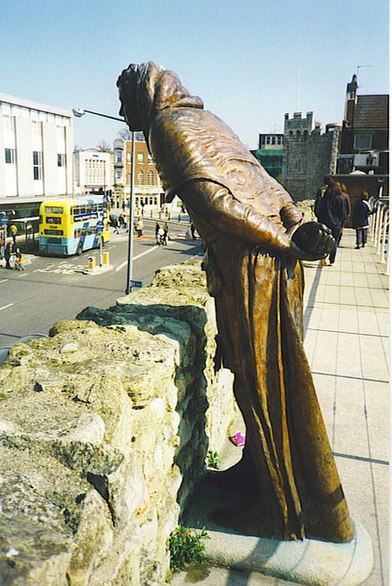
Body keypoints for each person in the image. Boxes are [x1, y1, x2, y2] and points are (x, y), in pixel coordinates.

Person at [117, 62, 353, 543]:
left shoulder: (166, 126)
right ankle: (258, 475)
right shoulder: (210, 120)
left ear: (143, 96)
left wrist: (283, 240)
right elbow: (272, 186)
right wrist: (295, 225)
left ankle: (281, 512)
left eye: (124, 100)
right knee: (265, 386)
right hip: (276, 268)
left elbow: (213, 203)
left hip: (252, 271)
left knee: (263, 389)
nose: (122, 112)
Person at [316, 180, 347, 266]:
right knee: (334, 241)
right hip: (336, 223)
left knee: (324, 241)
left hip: (324, 222)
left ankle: (323, 257)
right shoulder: (340, 199)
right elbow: (343, 214)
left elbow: (319, 210)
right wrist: (342, 225)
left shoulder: (325, 199)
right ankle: (332, 260)